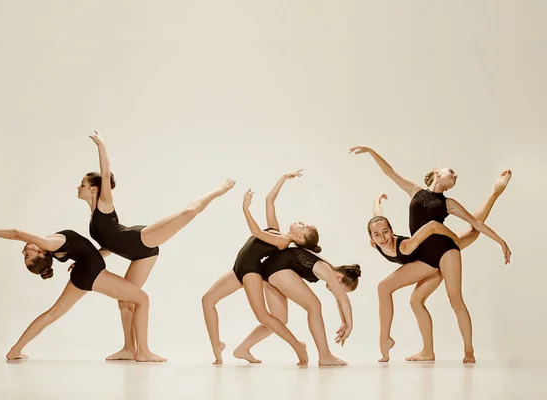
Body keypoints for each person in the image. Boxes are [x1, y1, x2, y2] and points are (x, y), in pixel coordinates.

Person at [79, 131, 234, 360]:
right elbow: (108, 246)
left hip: (142, 239)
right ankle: (132, 349)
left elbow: (104, 173)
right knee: (125, 299)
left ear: (94, 188)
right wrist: (87, 259)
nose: (78, 187)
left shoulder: (104, 202)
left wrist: (101, 146)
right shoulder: (93, 217)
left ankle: (218, 190)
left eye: (82, 184)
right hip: (141, 256)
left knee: (188, 212)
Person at [350, 145, 511, 363]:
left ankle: (469, 351)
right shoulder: (415, 192)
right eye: (450, 171)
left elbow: (475, 222)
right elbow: (389, 173)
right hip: (424, 256)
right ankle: (428, 351)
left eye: (455, 175)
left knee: (455, 296)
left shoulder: (448, 203)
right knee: (416, 300)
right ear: (437, 173)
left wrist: (500, 241)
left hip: (444, 249)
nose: (455, 175)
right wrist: (370, 152)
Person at [0, 218, 163, 362]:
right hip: (93, 275)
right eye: (27, 255)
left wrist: (108, 248)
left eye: (25, 254)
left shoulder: (55, 249)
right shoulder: (50, 243)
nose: (24, 250)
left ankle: (14, 351)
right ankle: (143, 351)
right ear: (40, 251)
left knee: (52, 314)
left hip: (84, 275)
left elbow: (90, 252)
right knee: (142, 299)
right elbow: (16, 232)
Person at [202, 171, 320, 366]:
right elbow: (269, 201)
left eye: (304, 226)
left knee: (263, 315)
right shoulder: (276, 229)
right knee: (207, 300)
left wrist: (245, 209)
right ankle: (218, 346)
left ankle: (298, 346)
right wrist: (283, 178)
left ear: (300, 239)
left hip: (251, 271)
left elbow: (256, 232)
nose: (301, 222)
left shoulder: (282, 241)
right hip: (238, 269)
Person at [234, 246, 361, 366]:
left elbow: (339, 298)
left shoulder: (328, 269)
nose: (334, 291)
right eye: (340, 289)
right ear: (339, 278)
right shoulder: (327, 270)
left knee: (279, 320)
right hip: (278, 268)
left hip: (270, 269)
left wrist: (344, 321)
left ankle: (243, 349)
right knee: (314, 306)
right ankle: (325, 355)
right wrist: (350, 325)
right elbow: (343, 299)